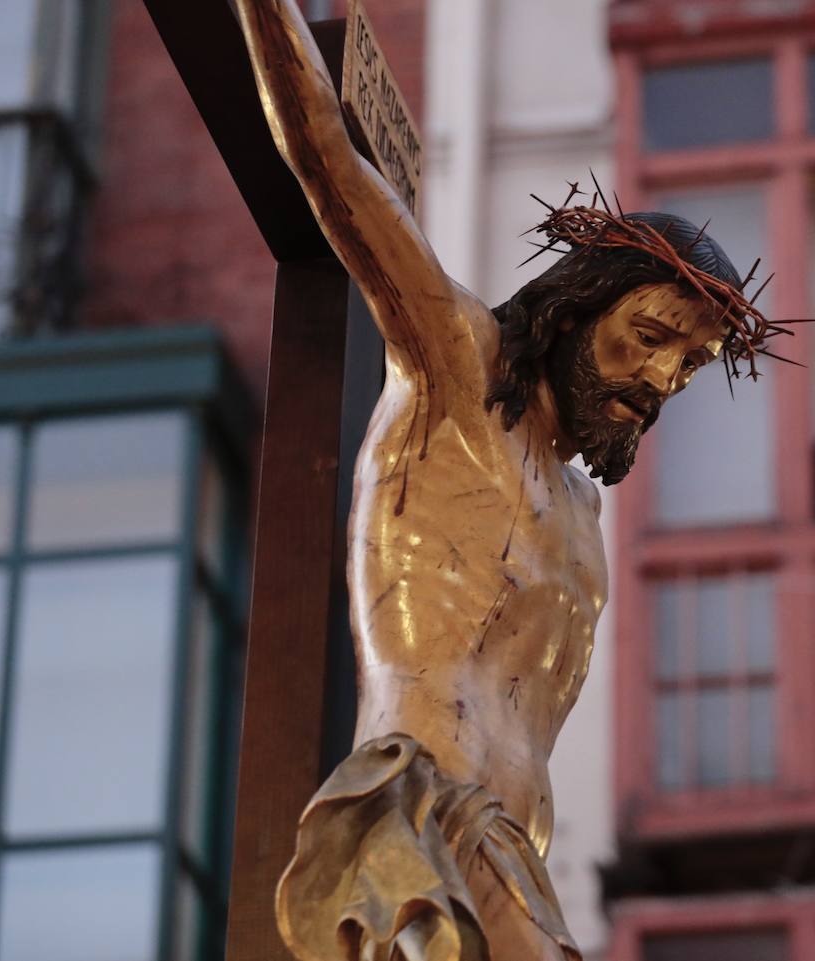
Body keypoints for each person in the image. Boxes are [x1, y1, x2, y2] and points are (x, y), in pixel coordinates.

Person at [233, 3, 780, 958]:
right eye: (648, 337)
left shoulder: (583, 509)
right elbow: (326, 152)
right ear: (575, 307)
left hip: (515, 865)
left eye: (686, 366)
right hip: (421, 813)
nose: (659, 381)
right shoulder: (459, 370)